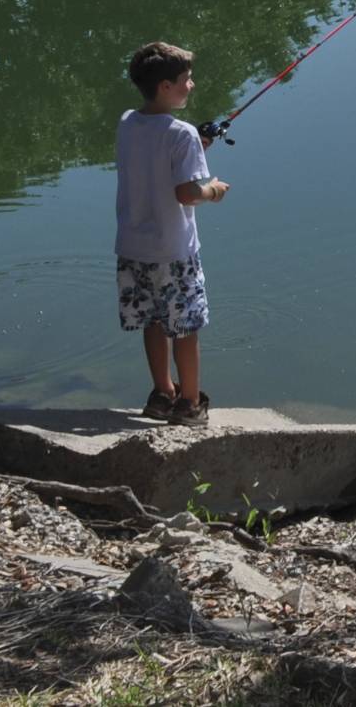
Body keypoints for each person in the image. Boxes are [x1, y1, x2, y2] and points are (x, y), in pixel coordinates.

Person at [116, 41, 230, 426]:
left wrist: (197, 145)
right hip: (174, 251)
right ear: (165, 86)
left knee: (153, 320)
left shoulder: (128, 122)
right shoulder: (181, 134)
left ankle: (163, 393)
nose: (191, 85)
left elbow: (153, 154)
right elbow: (185, 192)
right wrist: (212, 191)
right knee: (186, 327)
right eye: (185, 79)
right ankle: (190, 404)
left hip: (133, 247)